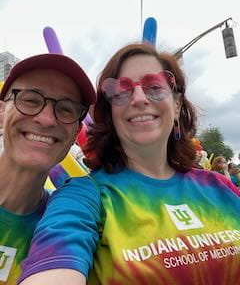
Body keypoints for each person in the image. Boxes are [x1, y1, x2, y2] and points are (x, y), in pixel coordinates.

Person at [19, 43, 240, 285]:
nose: (139, 98)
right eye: (121, 91)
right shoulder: (83, 198)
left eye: (154, 86)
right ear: (111, 113)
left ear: (177, 105)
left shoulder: (220, 188)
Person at [0, 52, 97, 284]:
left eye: (66, 108)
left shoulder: (68, 225)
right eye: (31, 99)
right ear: (2, 112)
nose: (46, 119)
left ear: (75, 132)